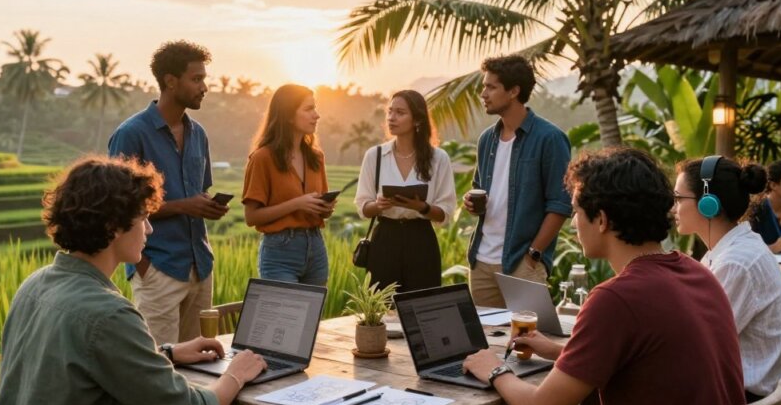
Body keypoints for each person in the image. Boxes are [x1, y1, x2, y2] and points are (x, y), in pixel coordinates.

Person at [459, 147, 745, 405]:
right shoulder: (697, 273)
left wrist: (493, 368)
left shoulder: (616, 298)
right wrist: (556, 350)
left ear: (603, 220)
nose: (572, 225)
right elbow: (643, 354)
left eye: (577, 212)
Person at [0, 156, 266, 405]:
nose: (150, 229)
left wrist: (168, 353)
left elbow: (90, 359)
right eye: (143, 218)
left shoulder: (35, 285)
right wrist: (236, 374)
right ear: (113, 227)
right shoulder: (108, 313)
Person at [108, 41, 228, 352]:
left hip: (199, 267)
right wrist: (145, 266)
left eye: (205, 79)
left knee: (199, 364)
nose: (204, 87)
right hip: (158, 267)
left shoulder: (198, 133)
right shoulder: (131, 134)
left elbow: (198, 191)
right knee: (159, 365)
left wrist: (206, 206)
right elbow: (119, 206)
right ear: (170, 81)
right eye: (197, 79)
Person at [673, 156, 781, 402]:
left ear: (708, 203)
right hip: (744, 395)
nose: (673, 207)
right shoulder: (732, 250)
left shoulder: (736, 263)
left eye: (678, 199)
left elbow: (698, 343)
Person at [463, 55, 572, 307]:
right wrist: (472, 201)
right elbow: (480, 188)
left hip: (522, 263)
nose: (483, 93)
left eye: (491, 87)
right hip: (481, 261)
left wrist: (533, 254)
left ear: (513, 91)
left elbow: (560, 204)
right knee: (487, 343)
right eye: (484, 86)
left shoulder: (550, 139)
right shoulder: (486, 140)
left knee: (526, 342)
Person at [354, 90, 456, 292]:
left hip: (421, 239)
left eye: (400, 112)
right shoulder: (375, 155)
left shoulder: (439, 158)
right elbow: (363, 207)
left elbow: (446, 213)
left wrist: (422, 207)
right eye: (390, 111)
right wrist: (378, 205)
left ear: (417, 119)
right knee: (381, 310)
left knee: (422, 308)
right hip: (385, 239)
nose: (391, 118)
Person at [242, 84, 336, 287]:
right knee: (286, 318)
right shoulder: (262, 158)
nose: (317, 115)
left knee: (311, 317)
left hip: (316, 247)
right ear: (288, 115)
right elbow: (251, 217)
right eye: (309, 109)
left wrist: (325, 208)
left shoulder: (316, 157)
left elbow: (321, 210)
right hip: (280, 251)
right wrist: (297, 204)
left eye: (315, 108)